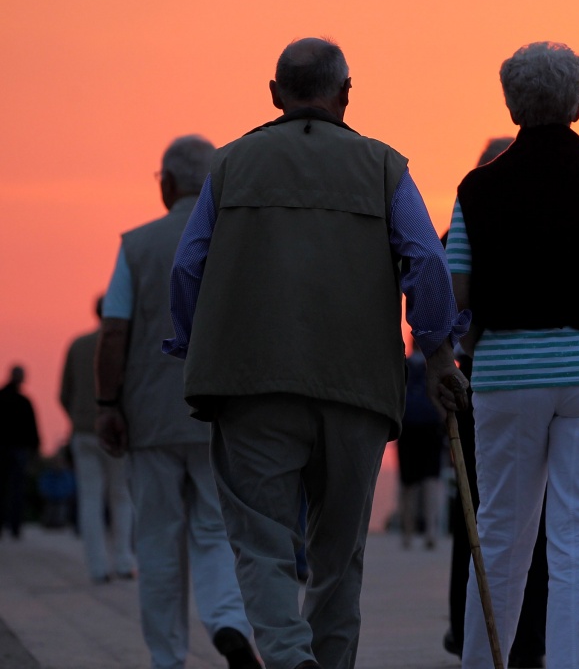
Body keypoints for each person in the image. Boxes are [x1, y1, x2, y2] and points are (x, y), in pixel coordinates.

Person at [164, 37, 468, 669]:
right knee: (338, 555)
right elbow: (427, 265)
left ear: (274, 95)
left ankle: (287, 654)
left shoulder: (230, 167)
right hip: (355, 390)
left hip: (250, 386)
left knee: (262, 544)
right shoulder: (385, 168)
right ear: (346, 94)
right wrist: (438, 354)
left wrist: (198, 349)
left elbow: (188, 268)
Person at [448, 42, 579, 669]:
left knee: (501, 532)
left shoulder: (479, 188)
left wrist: (467, 344)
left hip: (507, 374)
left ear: (511, 102)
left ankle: (482, 661)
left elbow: (457, 291)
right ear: (578, 101)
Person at [96, 135, 259, 669]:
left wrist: (107, 404)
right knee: (215, 532)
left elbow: (114, 332)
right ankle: (228, 623)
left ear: (165, 183)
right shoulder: (234, 243)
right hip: (218, 415)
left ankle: (167, 657)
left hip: (150, 417)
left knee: (160, 541)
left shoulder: (137, 245)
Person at [443, 138, 550, 669]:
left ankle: (466, 632)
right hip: (496, 379)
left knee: (483, 517)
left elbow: (439, 297)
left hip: (477, 378)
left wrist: (453, 349)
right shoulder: (531, 219)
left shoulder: (463, 222)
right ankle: (526, 640)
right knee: (528, 521)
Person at [62, 297, 136, 582]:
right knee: (121, 496)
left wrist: (78, 416)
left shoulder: (77, 345)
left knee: (90, 499)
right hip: (118, 430)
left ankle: (96, 566)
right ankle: (122, 561)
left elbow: (63, 392)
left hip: (83, 431)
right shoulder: (125, 345)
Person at [398, 338, 444, 550]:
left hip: (407, 424)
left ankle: (407, 533)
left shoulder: (404, 366)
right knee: (431, 479)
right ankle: (431, 531)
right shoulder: (433, 366)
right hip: (431, 424)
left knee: (409, 482)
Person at [0, 365, 39, 539]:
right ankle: (15, 527)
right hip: (18, 450)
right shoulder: (24, 402)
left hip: (4, 450)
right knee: (16, 489)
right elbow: (32, 429)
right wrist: (35, 450)